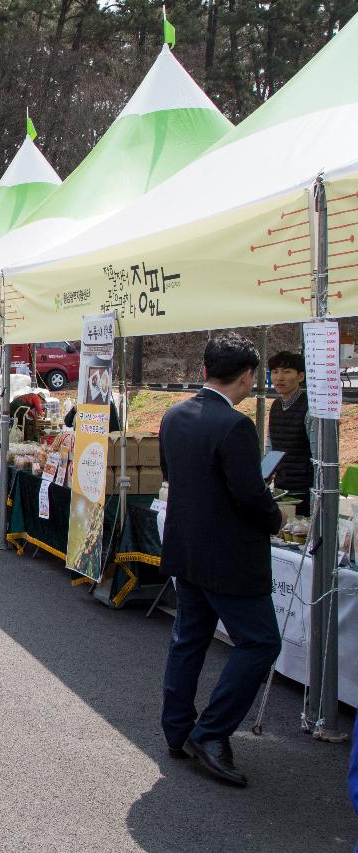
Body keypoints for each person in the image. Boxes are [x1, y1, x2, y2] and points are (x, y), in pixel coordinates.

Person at [159, 332, 283, 787]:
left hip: (187, 548)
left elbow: (174, 475)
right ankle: (210, 732)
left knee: (188, 638)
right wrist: (274, 517)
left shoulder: (175, 415)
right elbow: (249, 495)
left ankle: (178, 729)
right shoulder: (235, 426)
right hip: (230, 557)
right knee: (260, 642)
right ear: (248, 377)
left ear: (205, 369)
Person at [267, 350, 311, 517]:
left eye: (286, 372)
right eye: (275, 372)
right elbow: (271, 445)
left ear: (300, 377)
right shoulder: (276, 406)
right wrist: (266, 475)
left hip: (304, 489)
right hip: (281, 487)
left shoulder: (309, 408)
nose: (279, 378)